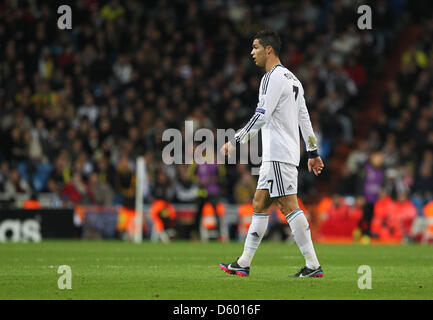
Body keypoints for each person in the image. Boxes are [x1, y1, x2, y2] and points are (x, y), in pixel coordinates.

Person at [219, 30, 324, 278]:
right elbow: (304, 118)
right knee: (260, 202)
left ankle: (312, 265)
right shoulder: (294, 79)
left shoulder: (271, 77)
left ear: (269, 50)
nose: (251, 52)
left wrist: (236, 139)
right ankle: (243, 262)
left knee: (288, 205)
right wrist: (312, 152)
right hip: (281, 154)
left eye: (255, 47)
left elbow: (262, 114)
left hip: (277, 153)